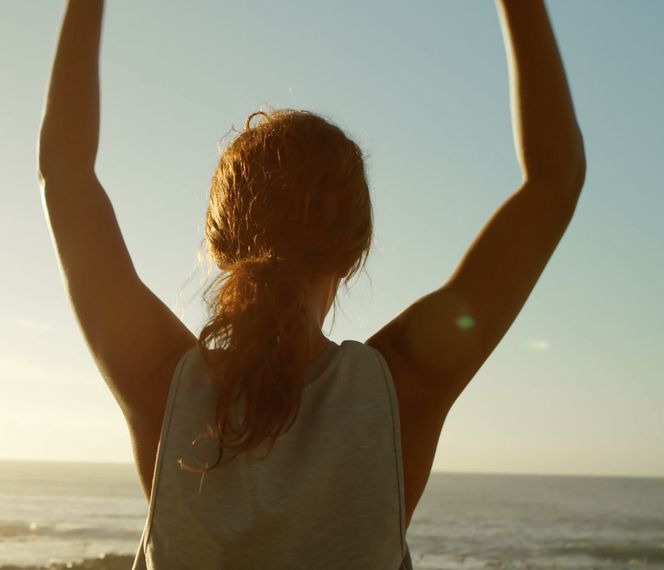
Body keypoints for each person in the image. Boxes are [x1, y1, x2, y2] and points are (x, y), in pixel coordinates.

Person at [36, 0, 585, 568]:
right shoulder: (401, 390)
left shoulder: (165, 386)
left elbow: (65, 174)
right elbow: (553, 183)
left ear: (222, 245)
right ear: (353, 253)